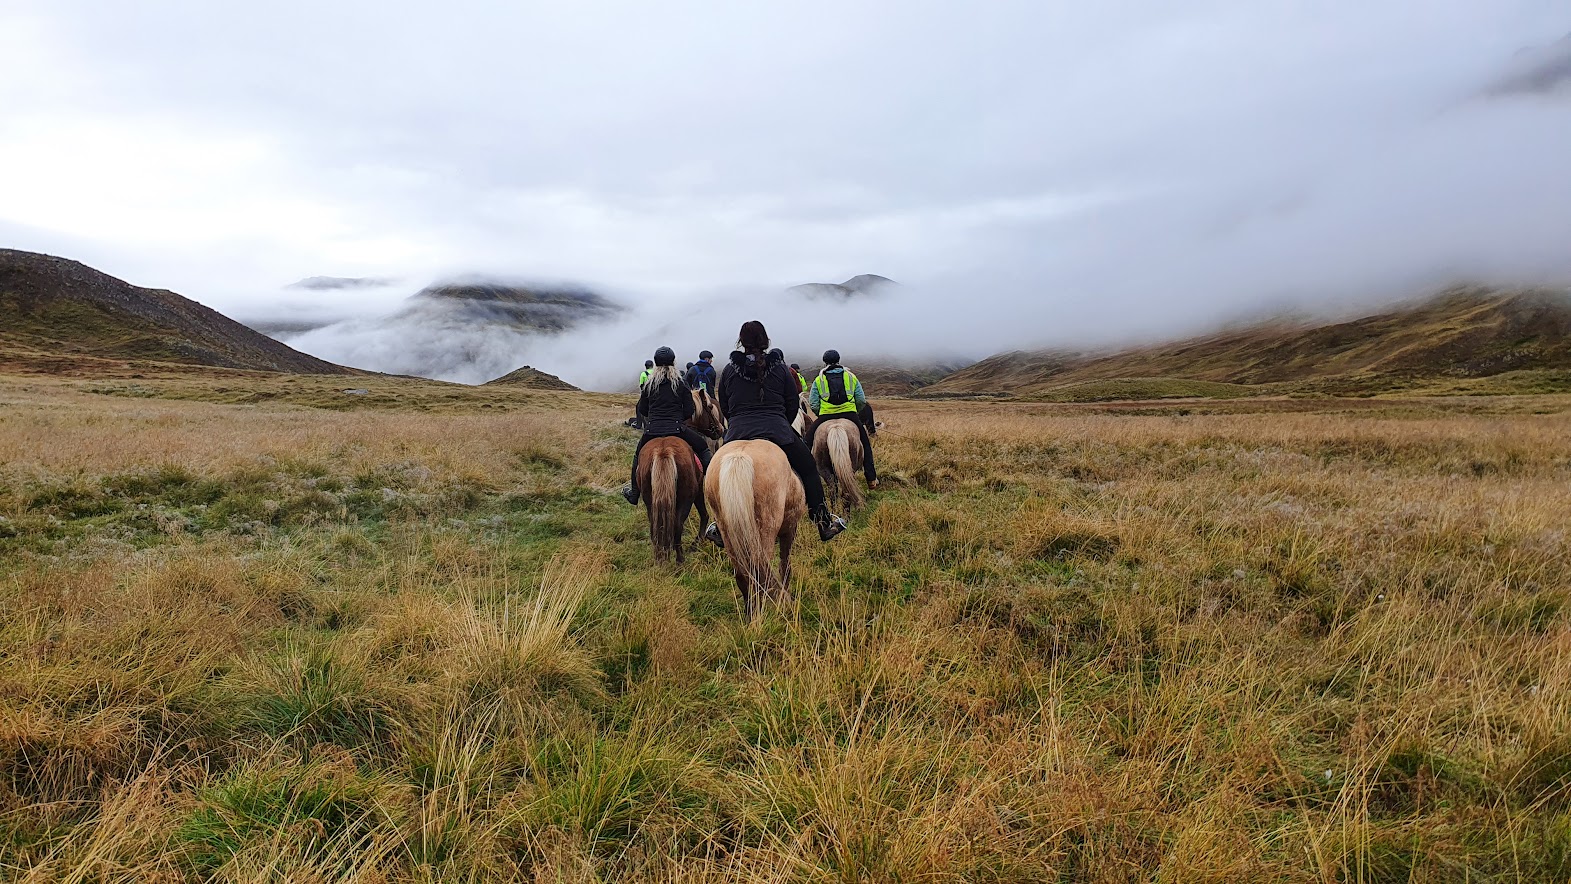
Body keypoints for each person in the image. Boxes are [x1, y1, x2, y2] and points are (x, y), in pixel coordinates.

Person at [704, 321, 848, 545]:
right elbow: (792, 403)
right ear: (765, 340)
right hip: (777, 430)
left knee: (716, 475)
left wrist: (737, 423)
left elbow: (725, 405)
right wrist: (781, 423)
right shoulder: (780, 368)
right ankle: (823, 522)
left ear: (741, 341)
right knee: (809, 468)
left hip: (738, 432)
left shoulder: (730, 370)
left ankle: (718, 525)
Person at [622, 347, 714, 505]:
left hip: (652, 431)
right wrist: (677, 418)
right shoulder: (680, 383)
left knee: (638, 457)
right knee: (703, 447)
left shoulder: (649, 385)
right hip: (677, 429)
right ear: (673, 362)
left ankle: (634, 494)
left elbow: (643, 409)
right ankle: (712, 484)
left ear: (656, 363)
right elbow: (689, 410)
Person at [807, 349, 878, 489]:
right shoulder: (851, 377)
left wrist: (821, 413)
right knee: (866, 444)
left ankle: (803, 478)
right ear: (839, 360)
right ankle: (871, 478)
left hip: (825, 415)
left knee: (806, 443)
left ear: (825, 362)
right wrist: (855, 411)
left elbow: (813, 403)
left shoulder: (819, 379)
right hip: (849, 414)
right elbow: (861, 400)